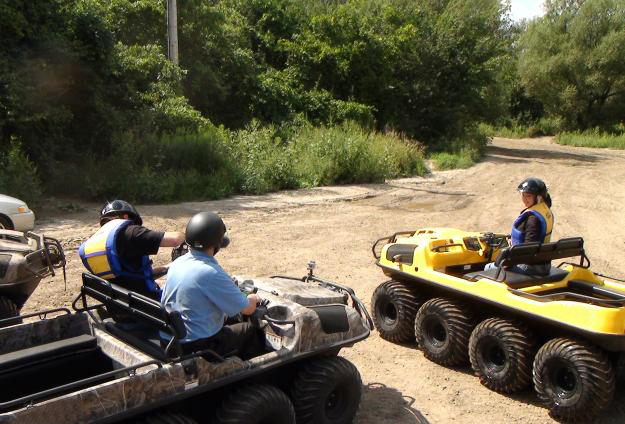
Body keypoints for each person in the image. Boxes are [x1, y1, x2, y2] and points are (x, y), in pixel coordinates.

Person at [160, 211, 265, 360]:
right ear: (216, 245)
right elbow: (247, 309)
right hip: (197, 345)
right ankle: (250, 377)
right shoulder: (211, 273)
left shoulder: (177, 263)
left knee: (231, 319)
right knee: (249, 330)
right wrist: (253, 298)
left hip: (172, 337)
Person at [79, 200, 184, 300]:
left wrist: (168, 267)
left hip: (120, 305)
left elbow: (129, 276)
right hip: (149, 306)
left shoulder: (95, 243)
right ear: (126, 217)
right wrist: (193, 234)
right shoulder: (131, 232)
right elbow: (175, 240)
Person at [487, 177, 554, 276]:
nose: (524, 199)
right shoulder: (545, 210)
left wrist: (508, 263)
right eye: (523, 195)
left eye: (528, 196)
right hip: (543, 263)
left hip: (531, 267)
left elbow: (529, 248)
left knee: (487, 268)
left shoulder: (533, 219)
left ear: (539, 197)